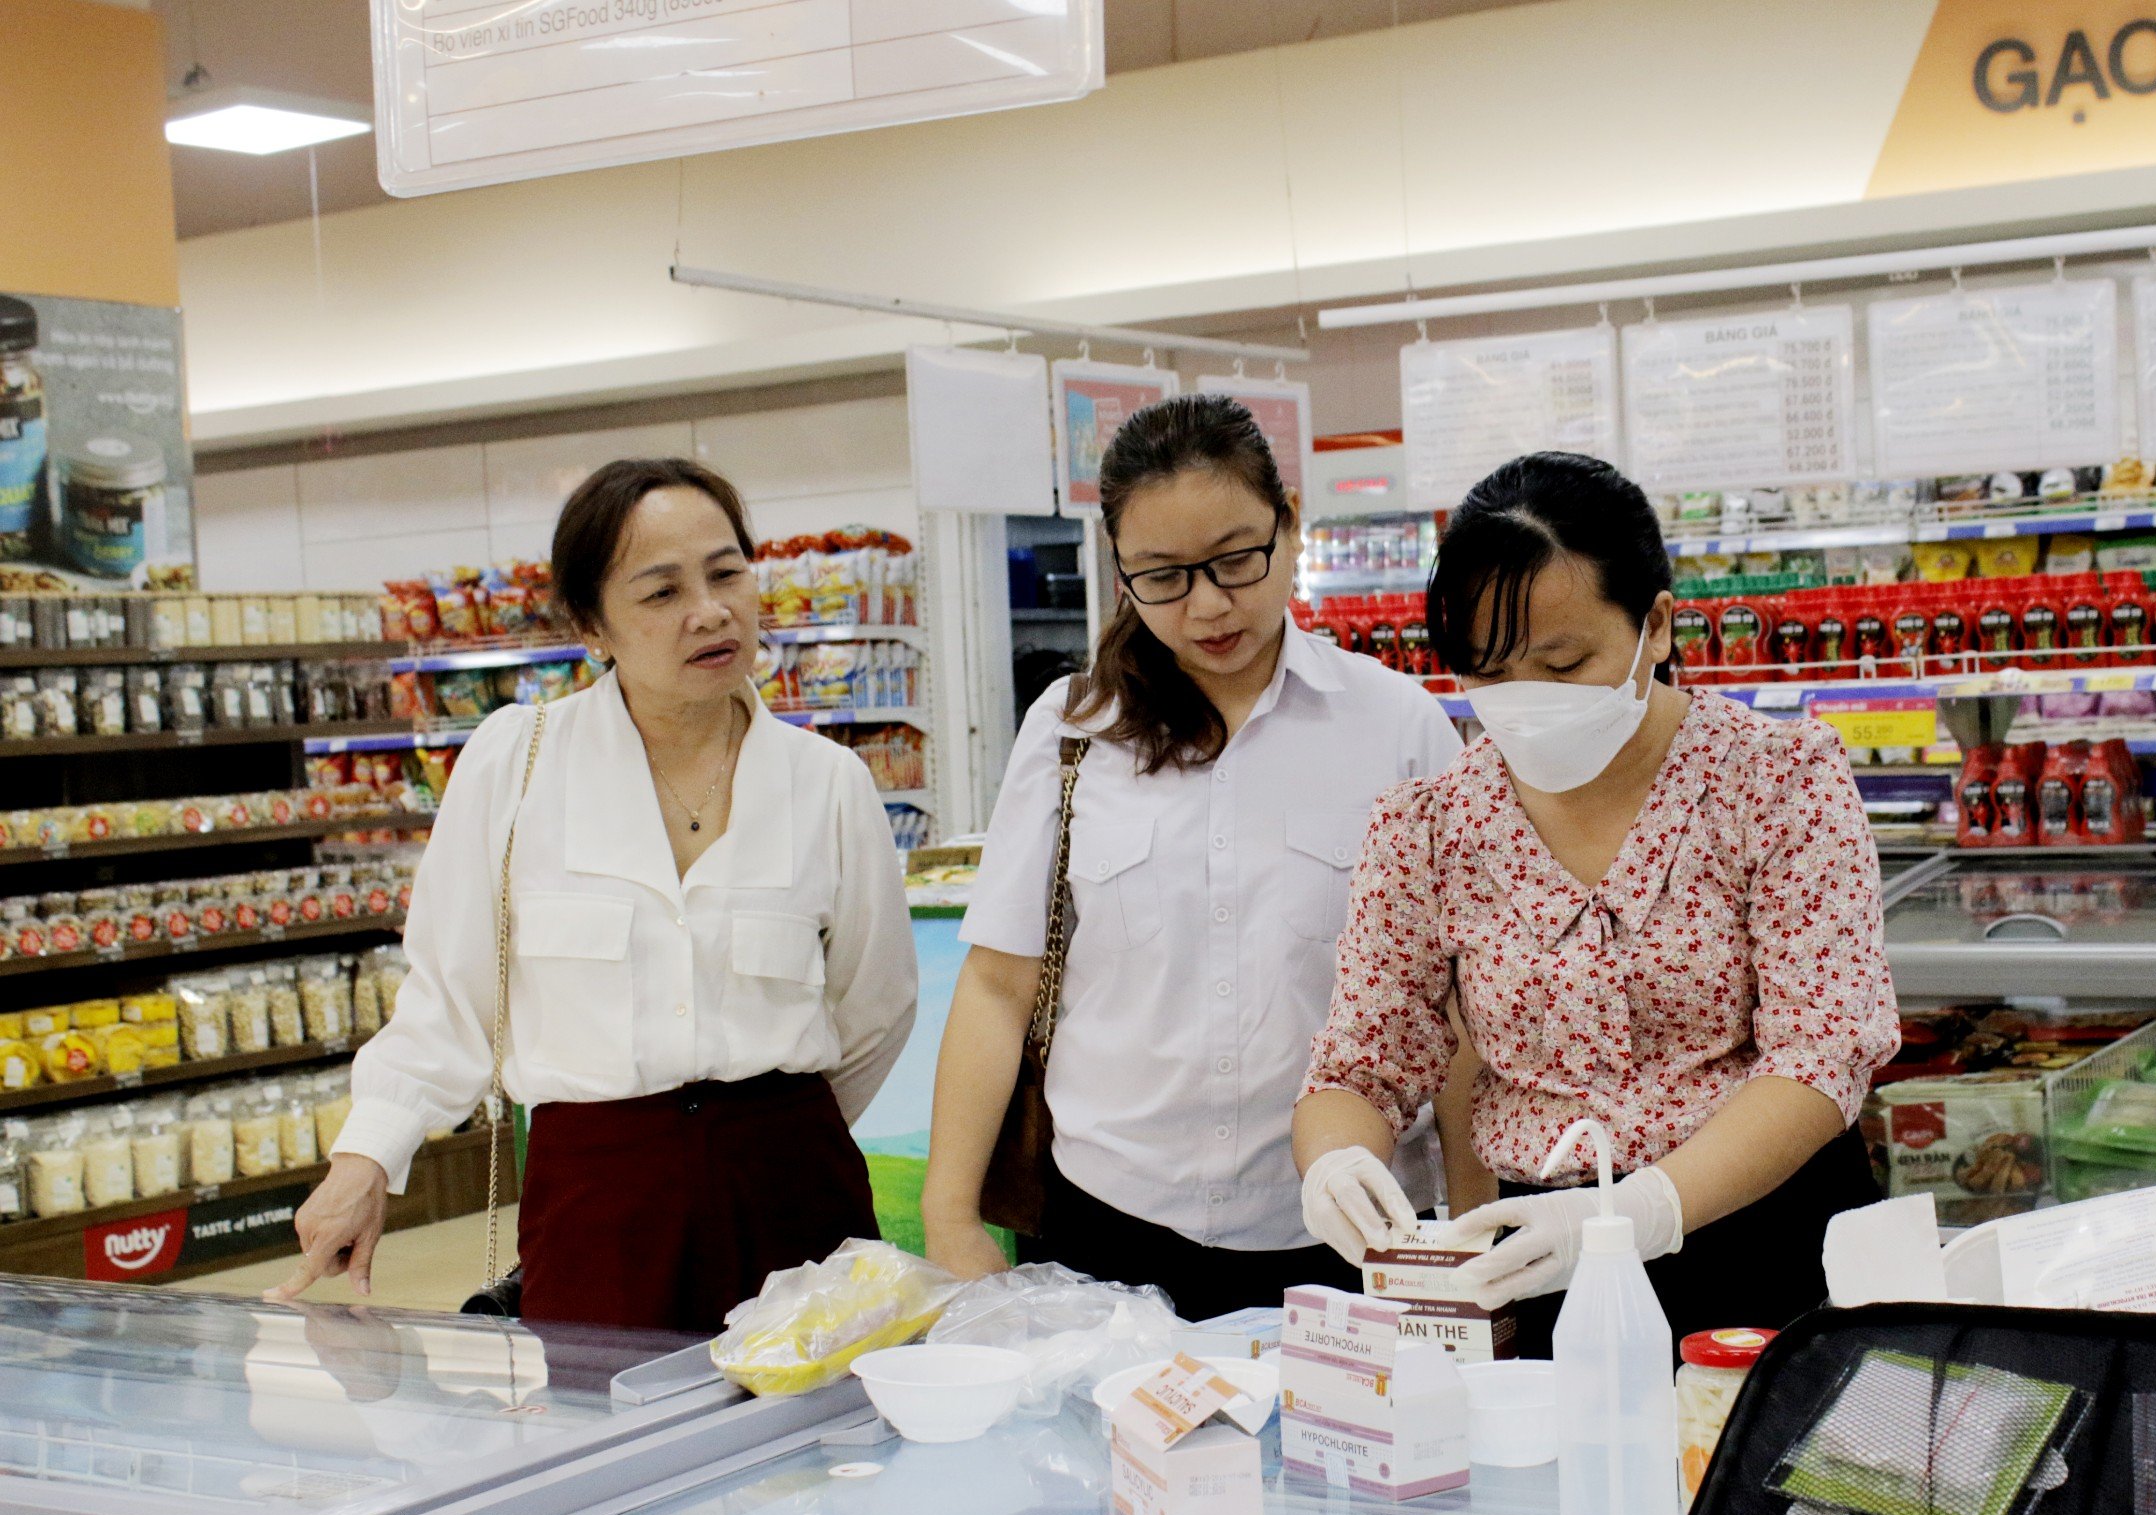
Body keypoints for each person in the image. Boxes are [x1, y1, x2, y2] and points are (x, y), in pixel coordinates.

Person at [272, 458, 918, 1331]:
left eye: (727, 572)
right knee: (606, 1434)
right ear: (592, 624)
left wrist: (760, 1130)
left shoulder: (828, 782)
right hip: (600, 1196)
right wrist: (366, 1161)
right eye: (661, 592)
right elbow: (451, 996)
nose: (711, 610)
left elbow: (875, 1007)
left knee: (820, 1442)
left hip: (794, 1187)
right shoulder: (516, 762)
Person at [1292, 452, 1898, 1355]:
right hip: (1544, 1269)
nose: (1522, 703)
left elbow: (1822, 1050)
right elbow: (1359, 1068)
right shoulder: (1429, 829)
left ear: (1654, 624)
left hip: (1770, 1242)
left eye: (1563, 663)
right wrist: (1339, 1162)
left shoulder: (1775, 784)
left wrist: (1644, 1209)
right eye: (1488, 672)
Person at [923, 395, 1461, 1321]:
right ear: (1120, 571)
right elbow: (998, 983)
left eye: (1235, 560)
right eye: (1163, 576)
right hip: (1106, 1222)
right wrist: (950, 1211)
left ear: (1291, 525)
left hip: (1346, 1230)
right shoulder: (1072, 729)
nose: (1208, 605)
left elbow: (1453, 1002)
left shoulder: (1396, 724)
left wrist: (1472, 1233)